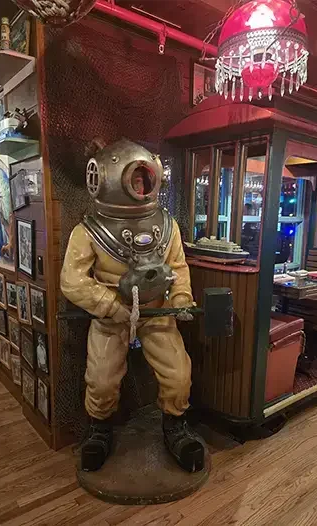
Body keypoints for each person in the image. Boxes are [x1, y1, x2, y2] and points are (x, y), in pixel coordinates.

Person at [59, 138, 205, 474]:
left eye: (144, 179)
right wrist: (109, 304)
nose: (140, 187)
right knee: (101, 380)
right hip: (112, 315)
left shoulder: (166, 226)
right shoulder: (89, 231)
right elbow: (72, 280)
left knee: (178, 374)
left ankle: (175, 424)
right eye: (133, 180)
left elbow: (178, 268)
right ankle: (99, 428)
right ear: (105, 179)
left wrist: (180, 298)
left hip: (156, 310)